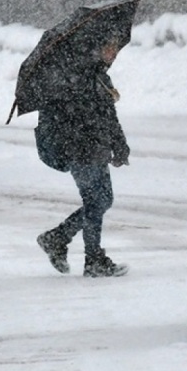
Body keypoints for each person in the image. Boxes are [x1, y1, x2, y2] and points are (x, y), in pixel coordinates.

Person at [34, 32, 130, 277]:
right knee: (96, 202)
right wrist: (86, 130)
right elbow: (70, 118)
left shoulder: (99, 76)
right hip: (80, 150)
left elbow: (109, 116)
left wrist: (119, 145)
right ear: (96, 47)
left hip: (96, 148)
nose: (113, 54)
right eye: (109, 48)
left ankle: (57, 237)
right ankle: (93, 259)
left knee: (102, 200)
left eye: (115, 49)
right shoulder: (75, 78)